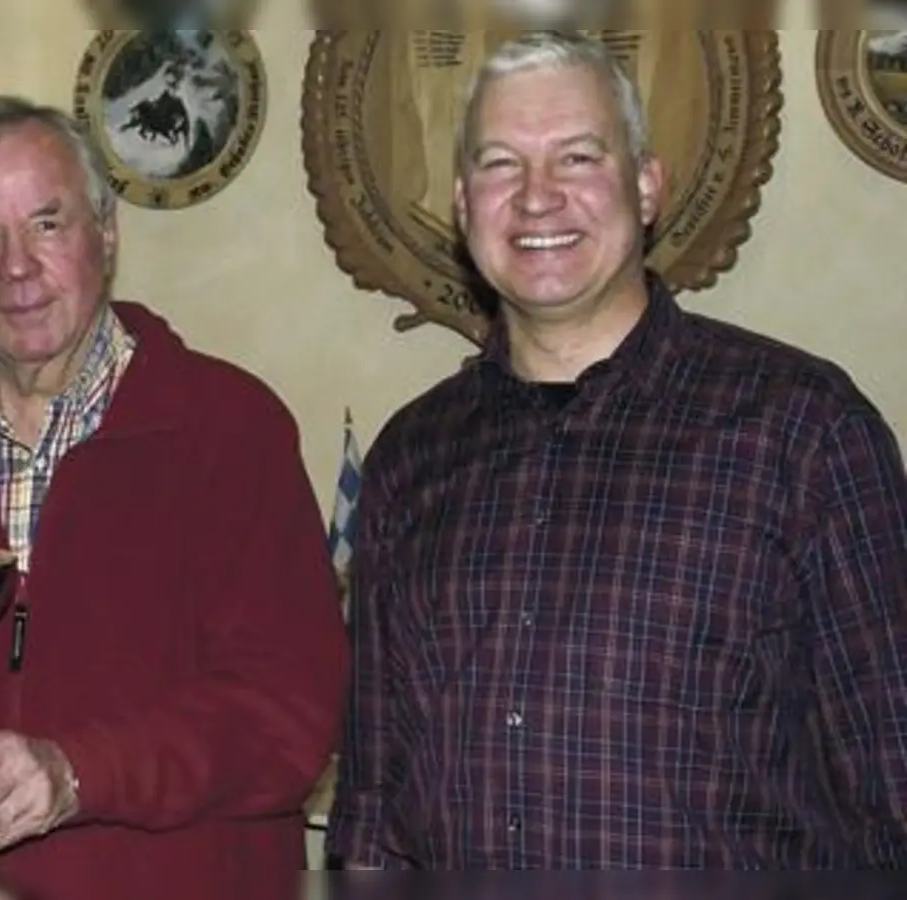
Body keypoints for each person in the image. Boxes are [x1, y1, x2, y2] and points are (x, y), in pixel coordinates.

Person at [327, 30, 907, 868]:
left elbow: (892, 790)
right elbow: (374, 808)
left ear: (645, 187)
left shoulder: (803, 432)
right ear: (461, 204)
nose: (536, 198)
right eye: (499, 164)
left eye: (576, 158)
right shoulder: (411, 456)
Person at [0, 97, 348, 900]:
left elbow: (285, 718)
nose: (16, 269)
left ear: (106, 234)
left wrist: (78, 773)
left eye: (47, 224)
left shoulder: (229, 429)